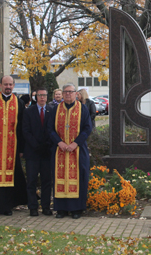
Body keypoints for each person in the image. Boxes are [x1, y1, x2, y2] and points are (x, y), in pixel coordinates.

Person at [0, 75, 28, 217]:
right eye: (5, 84)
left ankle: (7, 206)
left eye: (10, 84)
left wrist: (21, 149)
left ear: (13, 85)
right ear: (0, 85)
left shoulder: (18, 103)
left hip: (11, 148)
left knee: (10, 176)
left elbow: (22, 128)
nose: (8, 87)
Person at [47, 84, 92, 219]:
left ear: (75, 94)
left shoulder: (82, 109)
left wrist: (75, 143)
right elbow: (49, 129)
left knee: (79, 178)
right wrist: (59, 142)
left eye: (70, 92)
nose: (67, 94)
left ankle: (76, 209)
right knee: (59, 178)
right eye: (65, 92)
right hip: (59, 151)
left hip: (77, 150)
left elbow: (87, 128)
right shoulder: (56, 109)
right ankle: (61, 209)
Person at [22, 87, 53, 217]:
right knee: (32, 181)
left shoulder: (52, 110)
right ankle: (33, 207)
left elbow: (54, 129)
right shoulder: (29, 111)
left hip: (47, 152)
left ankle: (46, 206)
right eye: (39, 95)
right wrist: (36, 145)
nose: (42, 98)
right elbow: (25, 131)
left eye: (44, 95)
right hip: (32, 152)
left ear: (47, 97)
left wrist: (46, 145)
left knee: (46, 181)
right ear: (35, 97)